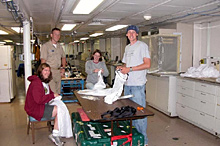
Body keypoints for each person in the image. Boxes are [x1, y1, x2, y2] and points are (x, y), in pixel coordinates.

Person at [117, 25, 151, 146]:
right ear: (126, 34)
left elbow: (147, 64)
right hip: (128, 84)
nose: (131, 34)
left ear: (137, 34)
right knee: (129, 113)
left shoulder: (142, 46)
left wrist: (130, 69)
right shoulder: (127, 48)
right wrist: (122, 68)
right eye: (129, 32)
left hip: (137, 84)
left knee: (139, 113)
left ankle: (144, 141)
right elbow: (126, 63)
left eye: (133, 32)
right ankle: (134, 138)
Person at [24, 63, 64, 146]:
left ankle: (56, 131)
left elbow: (48, 92)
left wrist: (55, 94)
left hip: (40, 105)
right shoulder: (36, 83)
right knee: (59, 110)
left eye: (49, 70)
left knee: (60, 107)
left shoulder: (43, 81)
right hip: (35, 108)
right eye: (45, 70)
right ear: (40, 71)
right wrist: (52, 96)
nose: (47, 72)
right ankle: (55, 135)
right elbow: (39, 100)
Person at [41, 27, 66, 94]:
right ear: (51, 35)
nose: (57, 36)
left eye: (59, 34)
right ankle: (53, 104)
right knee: (52, 93)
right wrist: (44, 73)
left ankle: (57, 104)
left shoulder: (59, 46)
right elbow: (43, 60)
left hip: (58, 72)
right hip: (50, 72)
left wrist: (63, 68)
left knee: (58, 92)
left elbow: (63, 57)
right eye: (55, 34)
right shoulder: (46, 46)